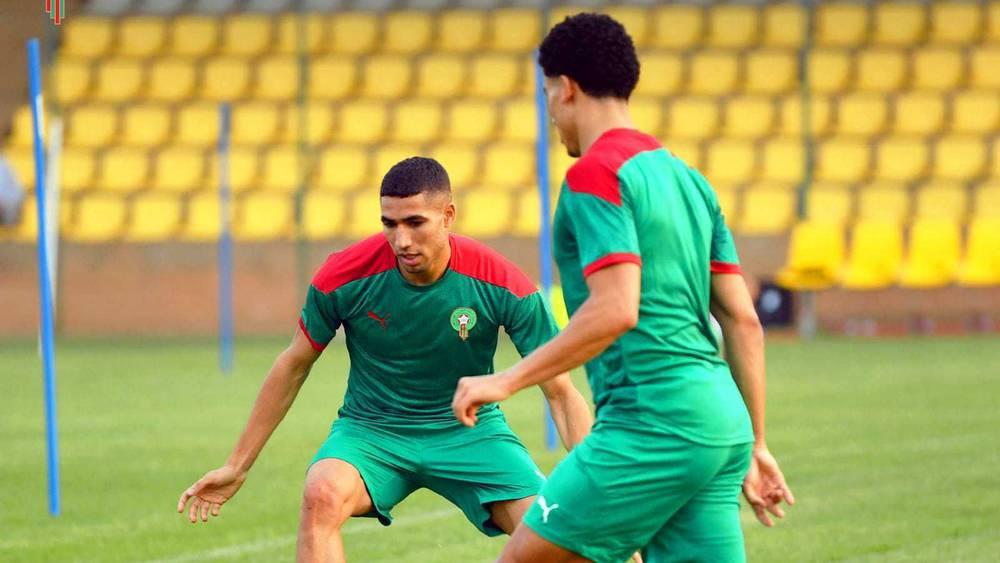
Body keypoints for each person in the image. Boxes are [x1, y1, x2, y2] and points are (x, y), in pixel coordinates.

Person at [451, 14, 794, 563]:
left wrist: (507, 379)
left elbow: (616, 308)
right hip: (720, 427)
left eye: (547, 95)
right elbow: (743, 319)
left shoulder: (595, 174)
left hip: (649, 424)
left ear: (567, 89)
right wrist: (755, 441)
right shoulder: (688, 179)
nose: (551, 112)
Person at [177, 157, 593, 562]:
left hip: (470, 433)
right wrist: (237, 465)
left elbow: (560, 392)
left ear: (448, 216)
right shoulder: (343, 276)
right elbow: (293, 365)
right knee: (320, 493)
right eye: (389, 224)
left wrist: (598, 487)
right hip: (372, 432)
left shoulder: (503, 284)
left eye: (415, 222)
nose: (401, 240)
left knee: (551, 535)